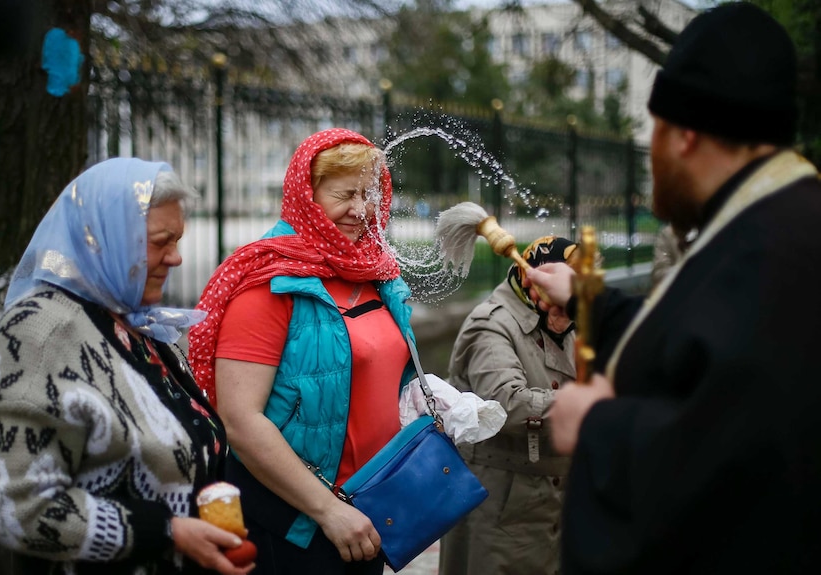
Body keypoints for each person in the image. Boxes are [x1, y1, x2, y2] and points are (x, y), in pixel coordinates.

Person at [525, 3, 821, 573]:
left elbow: (737, 465)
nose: (652, 158)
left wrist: (595, 428)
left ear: (683, 133)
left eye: (654, 130)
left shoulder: (776, 251)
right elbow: (701, 345)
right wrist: (591, 301)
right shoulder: (769, 222)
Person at [0, 158, 254, 575]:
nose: (176, 258)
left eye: (178, 239)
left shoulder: (133, 325)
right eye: (161, 241)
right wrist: (168, 531)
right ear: (101, 239)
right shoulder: (43, 330)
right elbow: (15, 504)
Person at [188, 128, 417, 575]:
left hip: (368, 509)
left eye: (370, 194)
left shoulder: (374, 271)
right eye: (345, 194)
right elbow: (240, 419)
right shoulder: (271, 282)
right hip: (298, 524)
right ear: (306, 197)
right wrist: (329, 511)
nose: (360, 210)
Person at [438, 236, 578, 575]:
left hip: (555, 505)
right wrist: (587, 406)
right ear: (533, 282)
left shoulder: (567, 323)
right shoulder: (492, 324)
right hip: (501, 503)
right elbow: (507, 404)